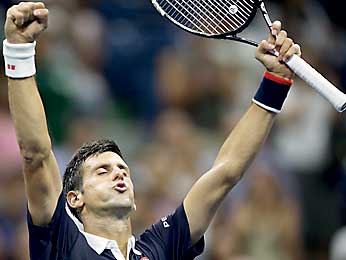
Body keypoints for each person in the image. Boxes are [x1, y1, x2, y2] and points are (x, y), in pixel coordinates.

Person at [3, 2, 301, 260]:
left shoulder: (161, 246)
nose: (119, 173)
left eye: (122, 168)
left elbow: (226, 173)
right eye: (102, 171)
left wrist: (275, 81)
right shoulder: (62, 241)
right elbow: (37, 154)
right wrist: (18, 50)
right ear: (74, 199)